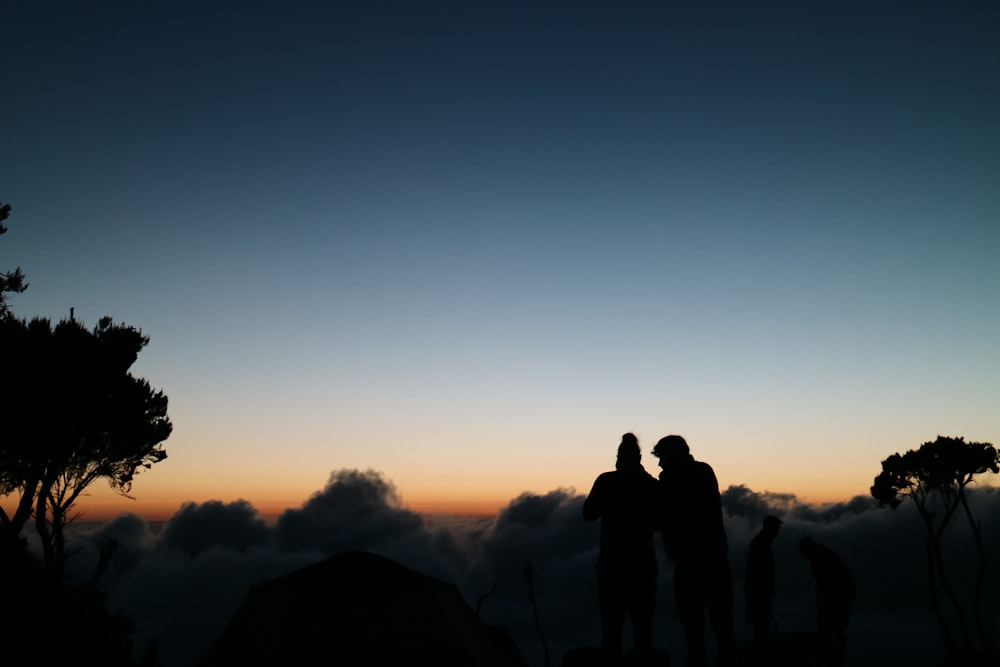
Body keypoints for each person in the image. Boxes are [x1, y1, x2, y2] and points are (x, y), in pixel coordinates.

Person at [653, 435, 736, 667]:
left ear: (672, 456)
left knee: (693, 625)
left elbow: (661, 518)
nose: (659, 464)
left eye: (661, 458)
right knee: (721, 621)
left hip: (691, 561)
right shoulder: (703, 472)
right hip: (714, 556)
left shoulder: (672, 479)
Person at [583, 433, 662, 665]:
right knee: (643, 625)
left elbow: (588, 514)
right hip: (643, 564)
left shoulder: (606, 481)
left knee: (611, 626)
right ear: (638, 458)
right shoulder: (651, 485)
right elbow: (660, 523)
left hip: (611, 564)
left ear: (620, 457)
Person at [799, 537, 855, 667]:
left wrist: (822, 599)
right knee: (832, 629)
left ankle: (834, 660)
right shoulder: (820, 554)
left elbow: (825, 581)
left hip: (840, 596)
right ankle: (832, 658)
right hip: (840, 594)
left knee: (833, 628)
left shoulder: (819, 557)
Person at [745, 515, 782, 664]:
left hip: (759, 592)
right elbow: (759, 572)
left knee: (761, 624)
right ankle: (760, 656)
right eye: (776, 528)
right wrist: (765, 591)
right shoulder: (761, 544)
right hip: (759, 593)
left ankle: (759, 653)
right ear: (770, 528)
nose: (778, 531)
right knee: (761, 624)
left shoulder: (761, 543)